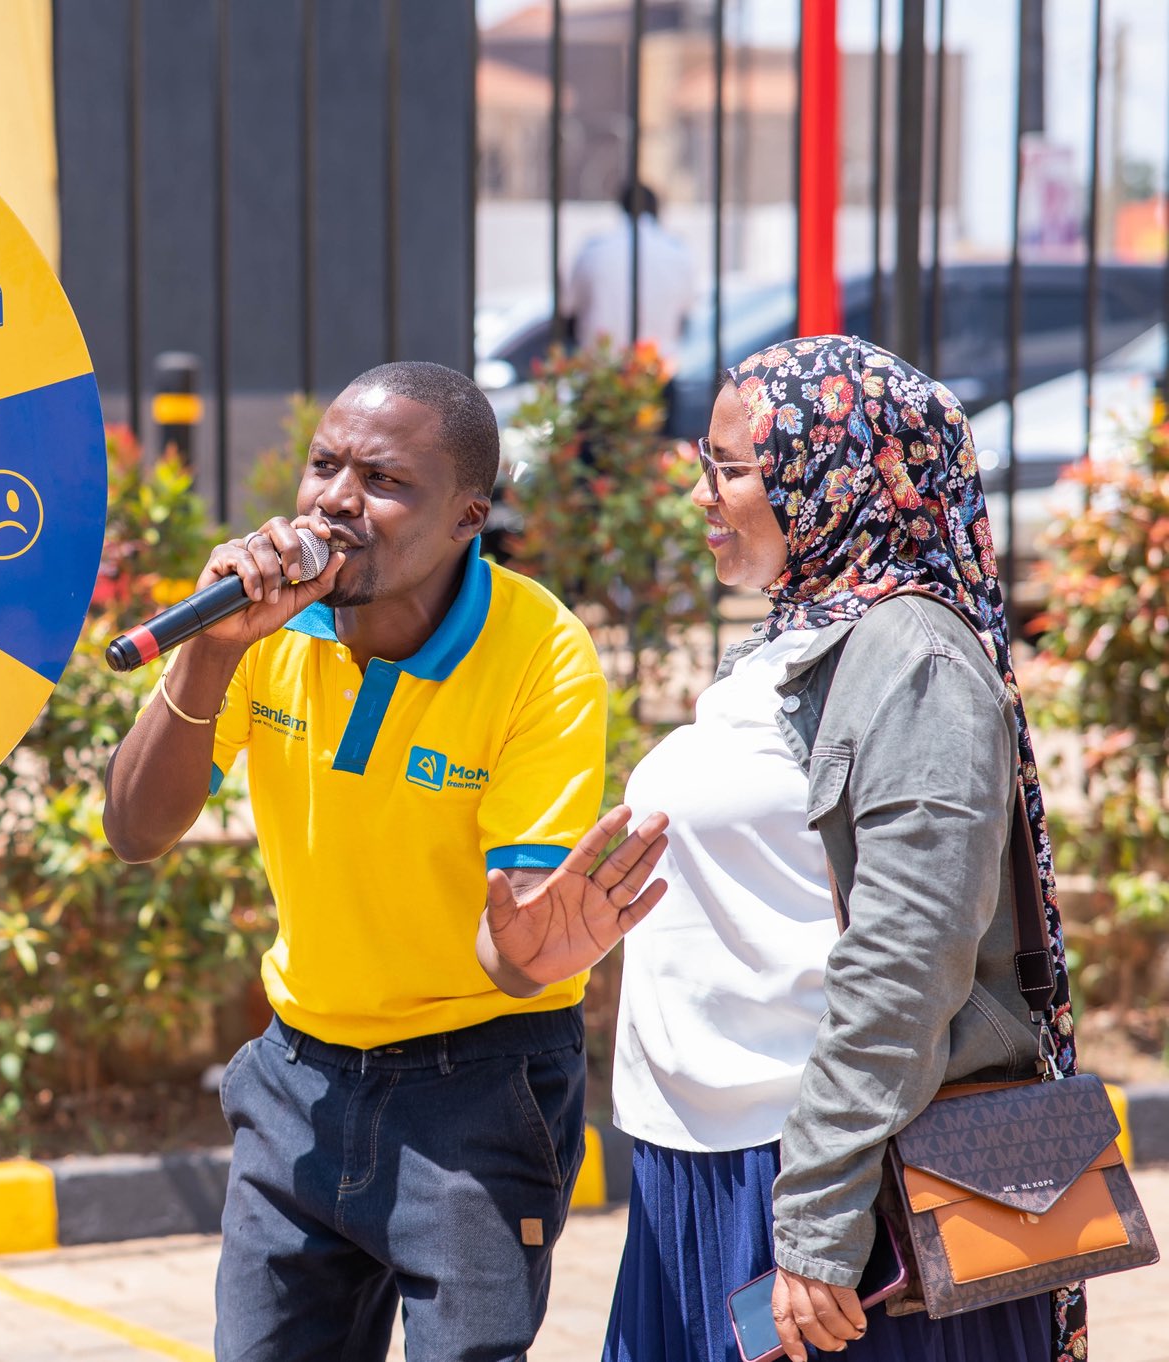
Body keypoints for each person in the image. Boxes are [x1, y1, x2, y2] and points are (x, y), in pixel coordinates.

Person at [479, 336, 1077, 1361]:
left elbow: (907, 960)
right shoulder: (790, 639)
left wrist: (815, 1226)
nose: (700, 494)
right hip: (700, 1169)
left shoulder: (914, 659)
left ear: (833, 471)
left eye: (730, 467)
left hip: (840, 1187)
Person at [103, 360, 669, 1360]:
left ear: (467, 517)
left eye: (383, 481)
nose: (334, 500)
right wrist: (211, 651)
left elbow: (515, 948)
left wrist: (535, 949)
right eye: (324, 465)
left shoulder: (539, 653)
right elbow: (135, 830)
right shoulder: (263, 627)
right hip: (300, 1076)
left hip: (476, 1087)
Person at [563, 180, 696, 371]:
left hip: (601, 369)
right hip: (656, 369)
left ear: (621, 208)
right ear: (657, 210)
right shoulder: (678, 252)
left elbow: (569, 308)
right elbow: (687, 312)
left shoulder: (593, 250)